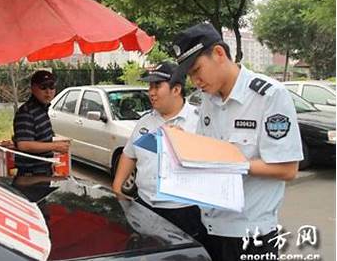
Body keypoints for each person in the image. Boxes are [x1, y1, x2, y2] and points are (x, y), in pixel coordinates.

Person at [170, 23, 303, 261]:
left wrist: (231, 163)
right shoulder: (209, 99)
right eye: (190, 75)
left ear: (219, 54)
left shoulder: (270, 96)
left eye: (197, 70)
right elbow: (207, 151)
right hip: (210, 226)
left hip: (252, 235)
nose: (195, 81)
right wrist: (181, 143)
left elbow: (288, 168)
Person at [112, 61, 206, 243]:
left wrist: (187, 145)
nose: (151, 92)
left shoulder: (199, 122)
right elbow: (129, 154)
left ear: (176, 90)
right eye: (150, 86)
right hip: (144, 205)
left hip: (182, 211)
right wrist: (117, 186)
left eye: (157, 86)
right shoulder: (145, 121)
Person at [12, 70, 69, 176]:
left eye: (51, 86)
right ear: (33, 88)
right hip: (31, 174)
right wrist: (54, 146)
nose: (48, 91)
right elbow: (24, 145)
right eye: (43, 87)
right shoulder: (26, 112)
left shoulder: (42, 109)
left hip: (44, 170)